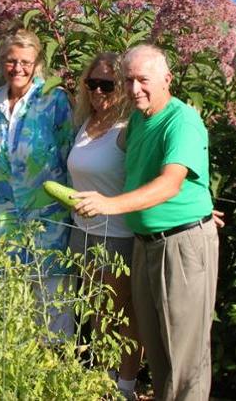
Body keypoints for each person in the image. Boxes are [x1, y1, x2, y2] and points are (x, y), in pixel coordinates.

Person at [74, 44, 218, 401]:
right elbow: (117, 165)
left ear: (167, 79)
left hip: (181, 244)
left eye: (143, 80)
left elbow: (171, 182)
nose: (135, 88)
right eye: (128, 80)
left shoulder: (181, 120)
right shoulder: (139, 118)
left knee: (185, 358)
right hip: (146, 241)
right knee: (155, 349)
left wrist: (110, 205)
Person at [0, 29, 75, 337]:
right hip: (1, 220)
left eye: (25, 62)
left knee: (53, 309)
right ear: (1, 63)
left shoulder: (53, 100)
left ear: (37, 63)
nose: (18, 68)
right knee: (7, 314)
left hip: (49, 220)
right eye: (11, 61)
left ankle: (54, 380)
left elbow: (68, 155)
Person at [67, 53, 141, 400]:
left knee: (120, 313)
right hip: (82, 232)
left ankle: (125, 386)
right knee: (96, 311)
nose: (99, 90)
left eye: (107, 84)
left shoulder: (126, 128)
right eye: (92, 83)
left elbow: (152, 173)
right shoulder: (86, 122)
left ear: (123, 87)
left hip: (117, 235)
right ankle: (102, 379)